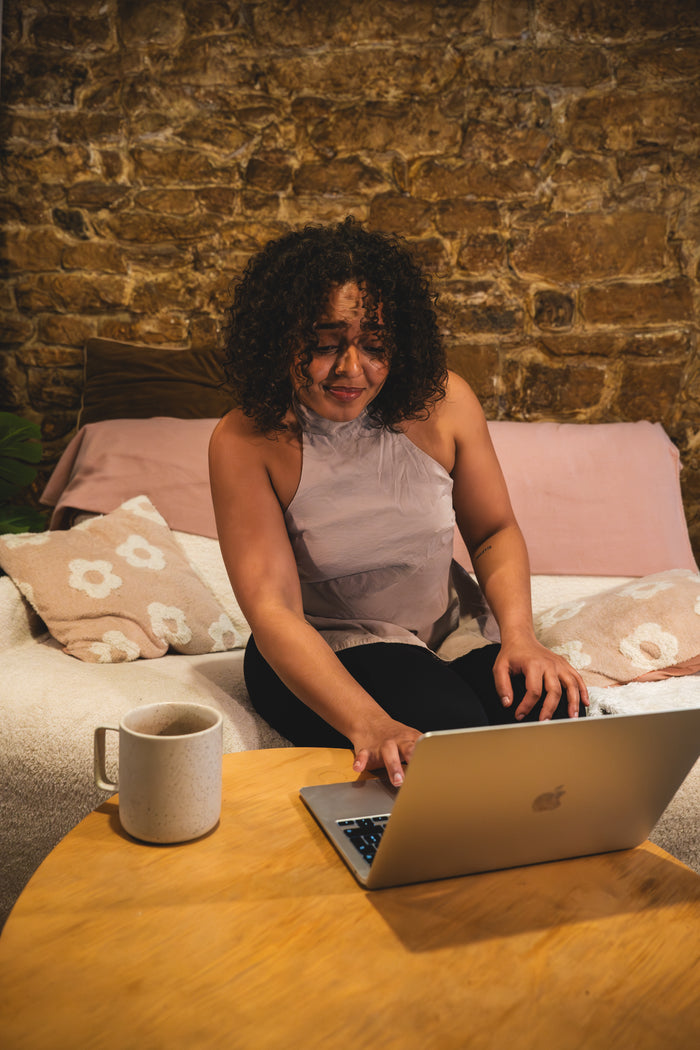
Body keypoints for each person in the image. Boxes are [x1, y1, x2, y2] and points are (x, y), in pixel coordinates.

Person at [209, 217, 588, 788]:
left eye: (375, 346)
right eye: (323, 345)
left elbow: (492, 532)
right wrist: (369, 723)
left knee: (559, 715)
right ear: (280, 338)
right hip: (326, 643)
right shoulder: (245, 441)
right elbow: (274, 612)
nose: (352, 370)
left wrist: (520, 636)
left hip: (443, 627)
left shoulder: (447, 402)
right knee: (449, 738)